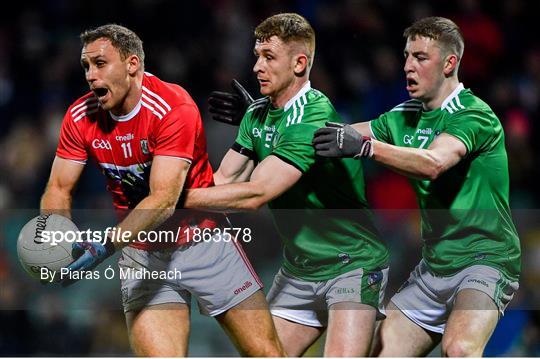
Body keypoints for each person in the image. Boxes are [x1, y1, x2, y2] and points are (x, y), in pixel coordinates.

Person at [40, 24, 284, 356]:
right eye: (86, 66)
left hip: (203, 242)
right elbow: (58, 187)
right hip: (141, 252)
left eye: (100, 63)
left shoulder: (173, 107)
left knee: (267, 354)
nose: (90, 75)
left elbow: (165, 201)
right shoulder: (80, 116)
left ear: (132, 64)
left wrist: (105, 245)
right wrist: (58, 238)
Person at [313, 16, 521, 357]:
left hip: (487, 260)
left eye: (420, 57)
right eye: (407, 56)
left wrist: (367, 147)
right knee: (380, 350)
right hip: (436, 265)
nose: (408, 66)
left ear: (450, 63)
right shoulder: (404, 115)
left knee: (460, 349)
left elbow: (433, 163)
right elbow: (334, 135)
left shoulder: (473, 115)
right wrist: (268, 118)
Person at [184, 13, 389, 356]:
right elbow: (224, 180)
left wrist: (176, 197)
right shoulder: (256, 114)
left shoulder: (312, 115)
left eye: (268, 57)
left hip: (352, 265)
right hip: (299, 270)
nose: (256, 67)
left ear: (299, 64)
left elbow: (255, 193)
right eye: (257, 55)